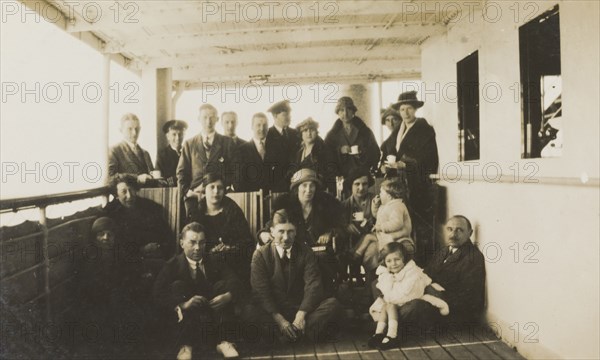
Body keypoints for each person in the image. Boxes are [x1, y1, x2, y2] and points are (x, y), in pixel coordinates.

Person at [378, 215, 486, 331]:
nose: (453, 234)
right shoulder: (444, 251)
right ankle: (389, 318)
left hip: (449, 311)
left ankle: (387, 321)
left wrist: (434, 293)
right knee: (381, 283)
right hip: (431, 296)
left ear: (470, 233)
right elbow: (426, 274)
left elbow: (471, 298)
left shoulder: (473, 257)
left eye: (459, 230)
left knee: (416, 305)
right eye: (450, 229)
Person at [250, 209, 341, 343]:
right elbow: (261, 292)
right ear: (272, 231)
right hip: (276, 312)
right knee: (249, 312)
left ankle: (285, 337)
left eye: (290, 231)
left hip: (301, 310)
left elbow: (313, 285)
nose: (286, 237)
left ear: (296, 231)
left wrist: (301, 315)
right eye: (281, 231)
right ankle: (299, 335)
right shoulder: (260, 255)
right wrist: (280, 321)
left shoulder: (306, 252)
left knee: (333, 304)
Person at [153, 222, 241, 359]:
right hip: (189, 322)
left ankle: (225, 342)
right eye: (192, 242)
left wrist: (228, 296)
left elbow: (234, 280)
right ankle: (185, 346)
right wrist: (183, 304)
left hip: (213, 317)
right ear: (182, 243)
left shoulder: (214, 260)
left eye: (202, 243)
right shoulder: (172, 265)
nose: (197, 248)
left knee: (222, 285)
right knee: (177, 286)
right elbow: (157, 294)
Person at [382, 91, 439, 266]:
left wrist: (405, 165)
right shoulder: (400, 130)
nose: (405, 113)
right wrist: (386, 164)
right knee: (400, 221)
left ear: (415, 110)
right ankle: (399, 262)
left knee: (416, 225)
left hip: (417, 185)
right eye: (402, 109)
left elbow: (429, 158)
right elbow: (387, 149)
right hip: (400, 183)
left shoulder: (423, 129)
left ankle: (419, 264)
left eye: (409, 109)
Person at [267, 168, 346, 293]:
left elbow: (340, 227)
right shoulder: (286, 207)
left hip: (320, 253)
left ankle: (323, 295)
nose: (308, 190)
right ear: (297, 188)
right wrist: (263, 234)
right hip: (295, 251)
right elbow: (270, 227)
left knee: (324, 262)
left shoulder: (326, 205)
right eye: (304, 185)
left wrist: (330, 232)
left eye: (312, 186)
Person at [368, 241, 449, 350]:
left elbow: (408, 295)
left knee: (410, 305)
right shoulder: (386, 274)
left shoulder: (413, 273)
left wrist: (389, 301)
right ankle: (379, 334)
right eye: (389, 261)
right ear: (385, 263)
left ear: (404, 259)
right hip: (395, 305)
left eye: (397, 259)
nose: (393, 264)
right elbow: (388, 294)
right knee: (377, 287)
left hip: (410, 303)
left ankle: (392, 333)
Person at [189, 173, 255, 290]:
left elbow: (247, 241)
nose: (216, 192)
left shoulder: (232, 209)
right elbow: (190, 240)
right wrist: (210, 251)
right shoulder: (197, 212)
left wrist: (230, 247)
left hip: (231, 261)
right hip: (205, 261)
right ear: (204, 189)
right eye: (212, 187)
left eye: (220, 188)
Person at [177, 104, 236, 217]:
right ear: (199, 119)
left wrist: (226, 188)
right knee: (194, 226)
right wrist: (188, 192)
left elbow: (235, 170)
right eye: (205, 117)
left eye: (212, 117)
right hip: (195, 196)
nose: (208, 121)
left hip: (219, 195)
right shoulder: (189, 144)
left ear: (217, 119)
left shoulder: (227, 143)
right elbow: (181, 173)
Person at [102, 174, 174, 262]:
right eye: (123, 192)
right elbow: (114, 245)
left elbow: (166, 234)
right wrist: (141, 250)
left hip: (155, 256)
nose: (129, 196)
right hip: (127, 260)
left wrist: (160, 247)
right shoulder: (110, 213)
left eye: (131, 190)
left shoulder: (150, 207)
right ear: (116, 194)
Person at [352, 179, 412, 281]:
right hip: (383, 236)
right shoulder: (386, 206)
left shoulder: (397, 206)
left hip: (396, 237)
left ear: (389, 196)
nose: (379, 194)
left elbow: (397, 224)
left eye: (381, 192)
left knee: (369, 237)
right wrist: (375, 205)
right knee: (368, 237)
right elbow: (378, 216)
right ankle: (356, 254)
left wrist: (381, 227)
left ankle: (355, 256)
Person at [324, 96, 380, 182]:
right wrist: (340, 150)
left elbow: (376, 153)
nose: (345, 113)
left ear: (353, 112)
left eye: (348, 110)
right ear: (338, 113)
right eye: (342, 110)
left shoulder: (365, 132)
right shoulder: (332, 135)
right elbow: (326, 157)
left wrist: (362, 154)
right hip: (341, 179)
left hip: (362, 179)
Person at [340, 168, 377, 283]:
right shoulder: (345, 205)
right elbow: (337, 226)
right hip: (352, 243)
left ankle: (370, 288)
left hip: (374, 240)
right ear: (351, 185)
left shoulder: (375, 201)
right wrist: (345, 226)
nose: (361, 188)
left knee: (372, 251)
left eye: (365, 184)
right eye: (357, 184)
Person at [291, 117, 338, 193]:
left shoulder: (324, 150)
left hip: (318, 189)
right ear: (301, 134)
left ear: (316, 132)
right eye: (305, 130)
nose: (309, 133)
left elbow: (330, 174)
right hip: (302, 190)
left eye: (312, 130)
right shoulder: (299, 152)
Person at [108, 113, 155, 184]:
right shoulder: (114, 151)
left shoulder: (145, 153)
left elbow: (152, 176)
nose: (134, 133)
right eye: (130, 129)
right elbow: (111, 178)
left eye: (137, 129)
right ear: (121, 130)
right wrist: (137, 178)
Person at [265, 100, 301, 192]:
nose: (289, 117)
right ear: (275, 116)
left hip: (296, 181)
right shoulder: (267, 135)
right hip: (276, 184)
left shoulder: (296, 134)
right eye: (285, 115)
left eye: (289, 114)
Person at [235, 112, 270, 192]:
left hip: (272, 198)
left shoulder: (275, 149)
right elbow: (238, 182)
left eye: (265, 125)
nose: (262, 128)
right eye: (258, 125)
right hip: (251, 198)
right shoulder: (241, 150)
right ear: (252, 127)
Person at [156, 119, 188, 186]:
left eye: (180, 134)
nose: (177, 138)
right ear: (168, 136)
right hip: (171, 190)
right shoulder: (162, 155)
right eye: (174, 134)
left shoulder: (188, 152)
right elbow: (160, 180)